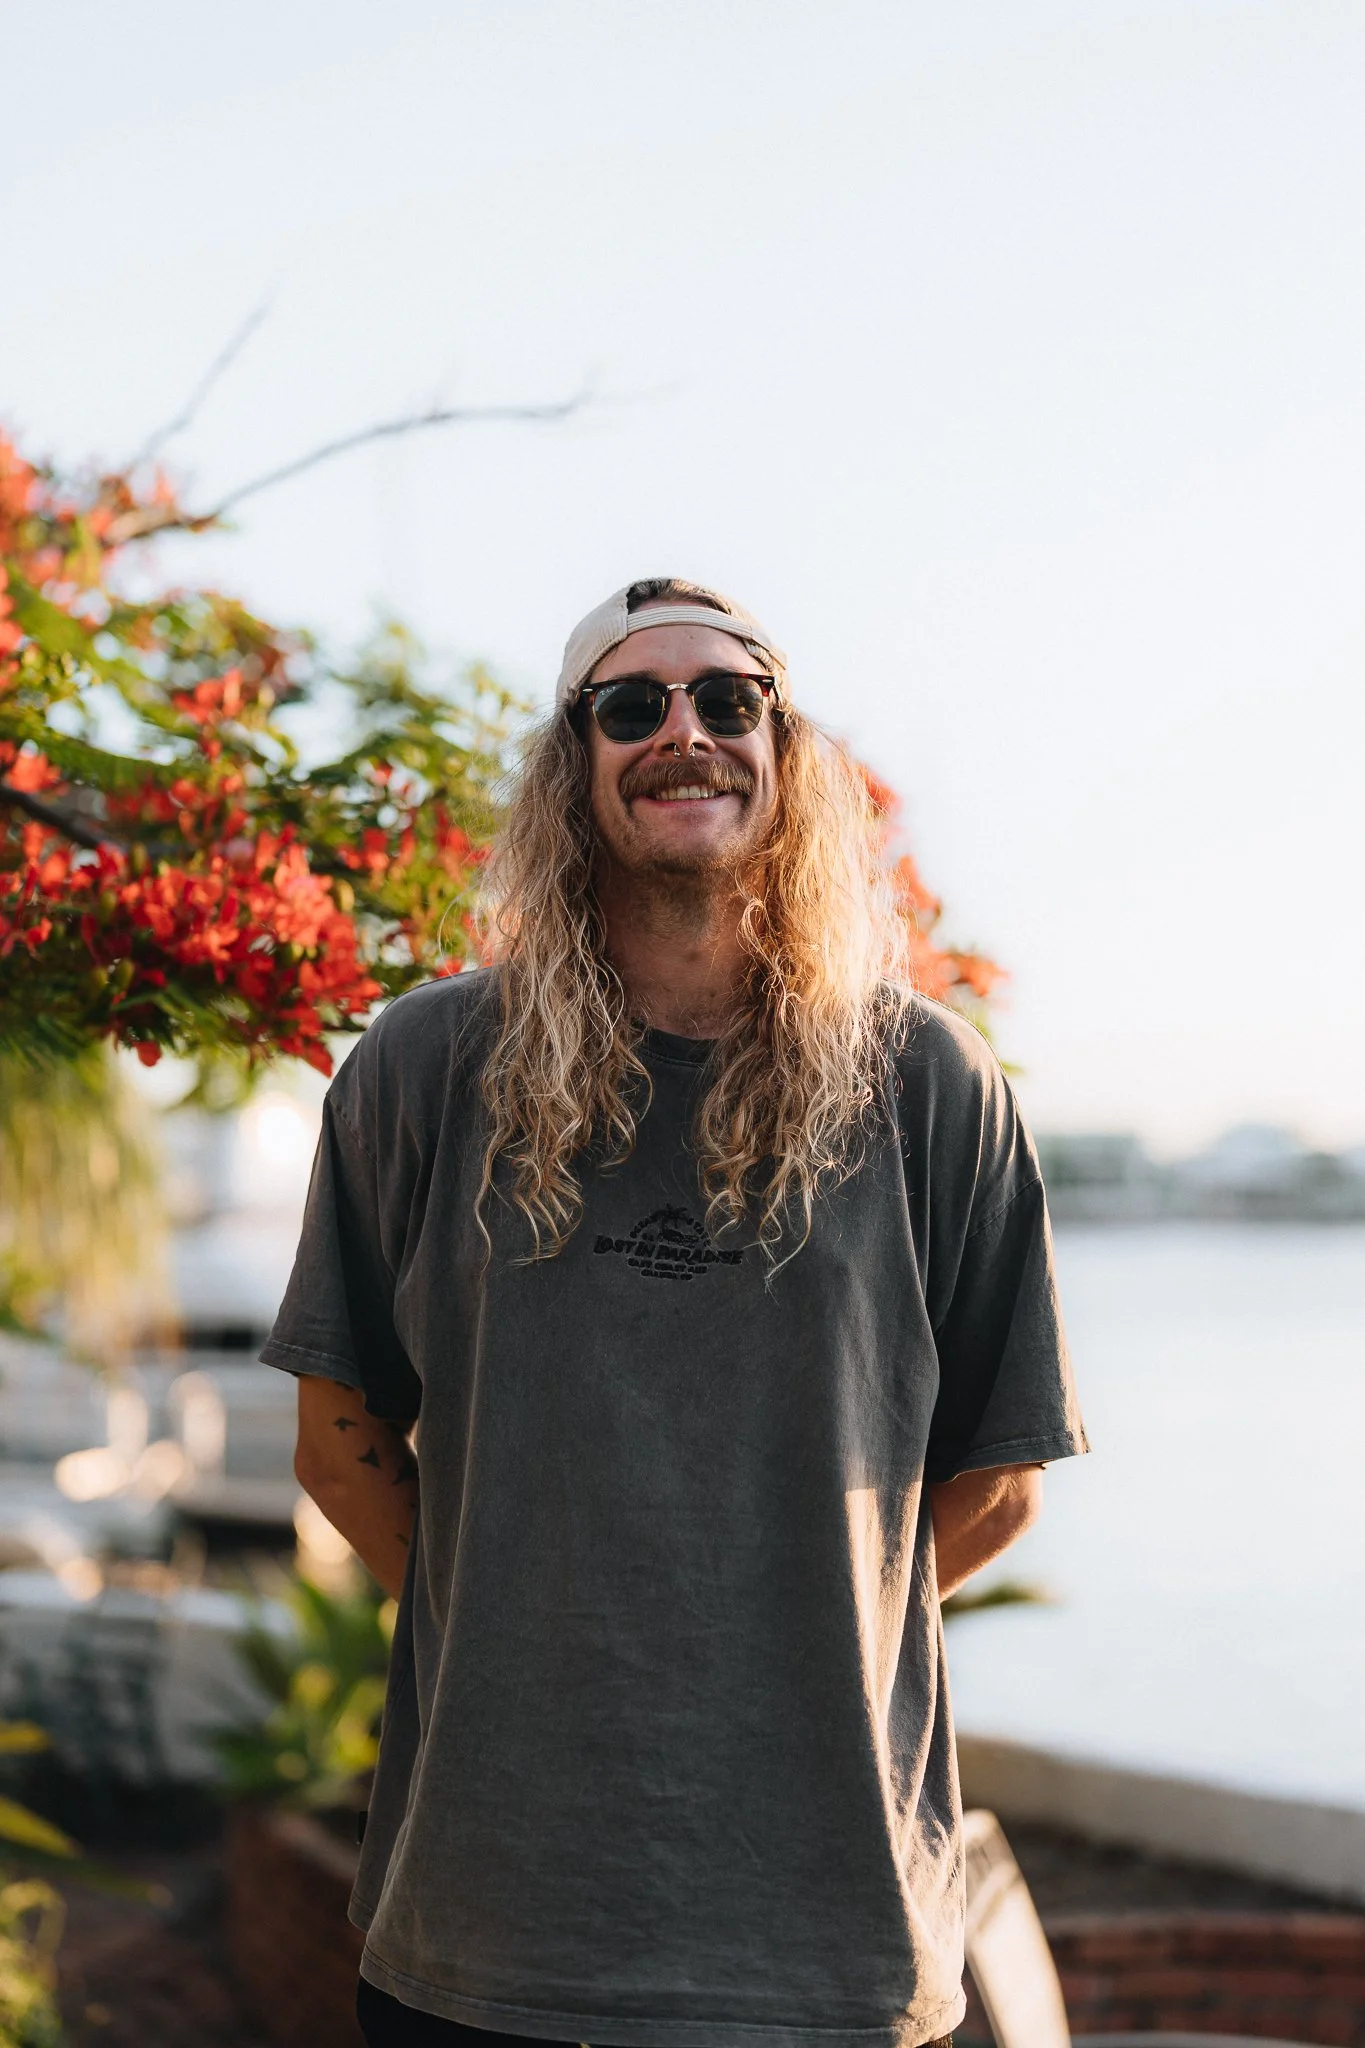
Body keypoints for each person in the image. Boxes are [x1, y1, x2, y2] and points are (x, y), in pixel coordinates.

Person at [265, 578, 1087, 2048]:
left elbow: (1001, 1481)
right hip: (488, 1920)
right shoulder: (423, 1068)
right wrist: (524, 1634)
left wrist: (764, 1642)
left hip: (824, 1938)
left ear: (788, 756)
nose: (683, 731)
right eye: (629, 705)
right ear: (569, 770)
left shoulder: (929, 1084)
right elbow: (340, 1443)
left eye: (729, 700)